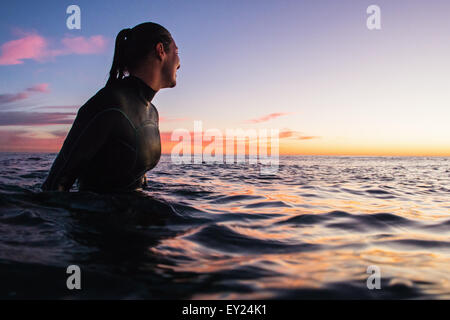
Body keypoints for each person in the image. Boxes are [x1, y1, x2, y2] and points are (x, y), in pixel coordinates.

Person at [41, 22, 180, 192]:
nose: (179, 62)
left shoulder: (152, 112)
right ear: (161, 51)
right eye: (177, 52)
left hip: (133, 214)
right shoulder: (109, 105)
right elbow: (54, 186)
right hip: (99, 217)